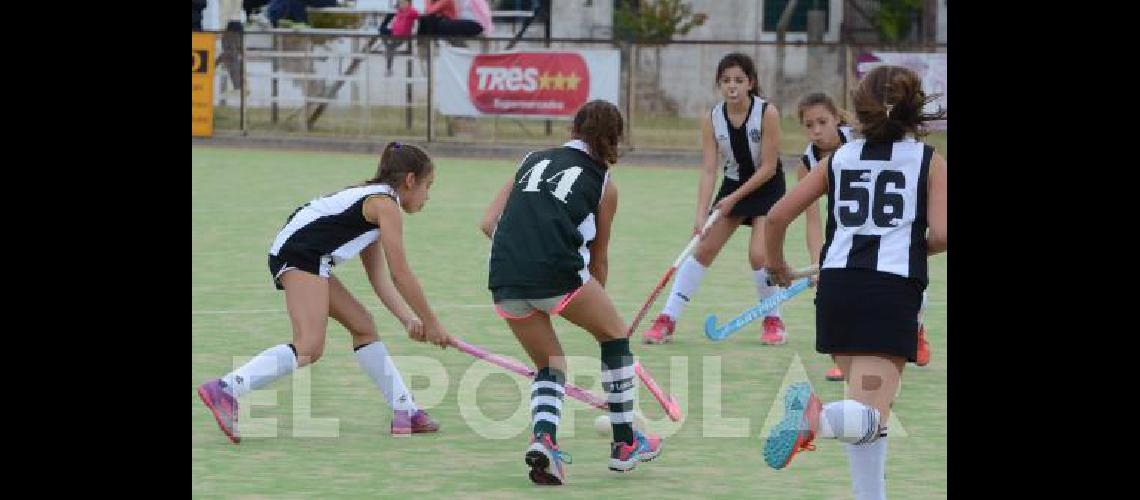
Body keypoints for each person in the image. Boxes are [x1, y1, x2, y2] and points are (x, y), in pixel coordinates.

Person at [760, 65, 947, 500]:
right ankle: (815, 416)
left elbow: (776, 216)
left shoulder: (838, 159)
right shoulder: (929, 161)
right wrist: (912, 244)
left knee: (867, 415)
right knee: (869, 418)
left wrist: (777, 265)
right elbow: (941, 234)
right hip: (890, 292)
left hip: (838, 289)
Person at [196, 142, 452, 444]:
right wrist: (432, 322)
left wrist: (408, 319)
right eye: (427, 186)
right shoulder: (385, 205)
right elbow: (402, 275)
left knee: (363, 326)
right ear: (410, 180)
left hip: (308, 257)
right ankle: (226, 389)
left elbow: (380, 278)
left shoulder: (373, 204)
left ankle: (405, 412)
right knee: (309, 346)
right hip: (301, 255)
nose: (428, 196)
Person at [479, 100, 662, 485]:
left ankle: (544, 439)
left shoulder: (531, 158)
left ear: (572, 129)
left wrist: (523, 251)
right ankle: (625, 444)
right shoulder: (604, 185)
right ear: (615, 140)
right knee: (615, 337)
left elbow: (487, 223)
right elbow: (599, 261)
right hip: (557, 274)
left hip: (505, 275)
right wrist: (602, 315)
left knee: (551, 366)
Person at [642, 52, 790, 346]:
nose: (731, 86)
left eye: (738, 80)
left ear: (751, 83)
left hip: (767, 187)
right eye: (725, 81)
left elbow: (769, 167)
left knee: (759, 255)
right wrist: (700, 215)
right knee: (703, 248)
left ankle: (773, 319)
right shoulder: (712, 118)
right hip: (732, 186)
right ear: (719, 85)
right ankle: (667, 318)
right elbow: (710, 169)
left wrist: (733, 198)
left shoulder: (767, 113)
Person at [794, 92, 932, 382]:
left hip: (888, 239)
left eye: (822, 122)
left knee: (905, 276)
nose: (817, 131)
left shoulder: (860, 143)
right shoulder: (808, 161)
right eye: (809, 125)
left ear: (838, 119)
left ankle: (916, 328)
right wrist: (818, 262)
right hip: (847, 241)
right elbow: (812, 218)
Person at [379, 0, 420, 77]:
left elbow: (419, 18)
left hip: (402, 35)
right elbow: (390, 14)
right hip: (394, 32)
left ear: (409, 4)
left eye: (403, 3)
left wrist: (416, 33)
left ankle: (389, 69)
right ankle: (386, 46)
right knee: (381, 30)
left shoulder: (412, 11)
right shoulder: (398, 10)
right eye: (400, 3)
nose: (401, 4)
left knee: (390, 48)